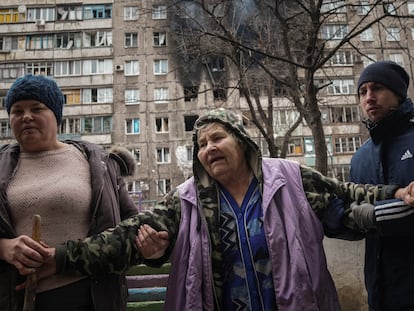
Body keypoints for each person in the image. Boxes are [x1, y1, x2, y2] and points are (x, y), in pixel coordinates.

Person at [33, 108, 411, 311]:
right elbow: (126, 239)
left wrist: (397, 191)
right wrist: (64, 257)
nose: (208, 148)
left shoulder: (290, 177)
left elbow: (347, 195)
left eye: (218, 137)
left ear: (242, 141)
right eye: (201, 144)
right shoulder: (186, 198)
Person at [0, 74, 138, 311]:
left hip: (93, 298)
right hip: (15, 299)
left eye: (37, 108)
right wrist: (4, 248)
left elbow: (132, 231)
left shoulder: (99, 164)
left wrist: (64, 259)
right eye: (17, 111)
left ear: (57, 115)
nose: (26, 117)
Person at [345, 60, 414, 311]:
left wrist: (373, 215)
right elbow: (351, 210)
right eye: (363, 92)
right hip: (380, 293)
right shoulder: (360, 158)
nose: (369, 98)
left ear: (396, 93)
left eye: (377, 89)